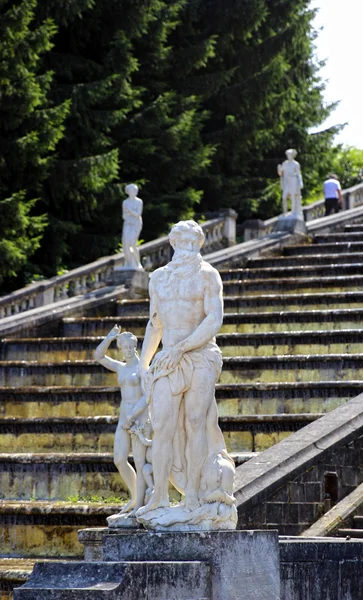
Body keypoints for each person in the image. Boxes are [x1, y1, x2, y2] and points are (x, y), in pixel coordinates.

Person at [137, 220, 230, 517]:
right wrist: (144, 364)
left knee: (195, 422)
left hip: (201, 354)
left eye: (193, 242)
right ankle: (160, 496)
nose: (188, 248)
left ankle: (192, 495)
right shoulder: (158, 279)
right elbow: (155, 324)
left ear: (199, 244)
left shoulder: (208, 276)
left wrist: (181, 347)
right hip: (168, 359)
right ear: (173, 243)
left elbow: (214, 319)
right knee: (162, 425)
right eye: (183, 241)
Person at [94, 327, 149, 516]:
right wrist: (108, 339)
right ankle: (134, 497)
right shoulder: (121, 367)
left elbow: (148, 396)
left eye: (129, 346)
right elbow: (99, 356)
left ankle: (140, 503)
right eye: (123, 346)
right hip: (123, 416)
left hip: (139, 417)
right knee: (119, 459)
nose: (126, 349)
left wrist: (133, 416)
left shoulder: (142, 367)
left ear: (135, 346)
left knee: (141, 462)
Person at [122, 183, 143, 269]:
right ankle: (129, 262)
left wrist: (130, 211)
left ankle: (138, 263)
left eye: (134, 190)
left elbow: (138, 214)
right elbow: (124, 216)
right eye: (131, 190)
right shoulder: (125, 202)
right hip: (128, 223)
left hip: (136, 224)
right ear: (128, 191)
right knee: (126, 244)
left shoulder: (139, 202)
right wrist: (129, 214)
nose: (133, 192)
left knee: (132, 243)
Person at [277, 148, 303, 215]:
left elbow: (298, 174)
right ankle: (285, 212)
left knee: (293, 196)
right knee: (284, 197)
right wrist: (279, 170)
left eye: (289, 154)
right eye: (287, 155)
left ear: (293, 155)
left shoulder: (296, 164)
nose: (288, 156)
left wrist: (300, 183)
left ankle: (293, 211)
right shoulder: (285, 163)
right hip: (287, 182)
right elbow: (281, 173)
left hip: (293, 181)